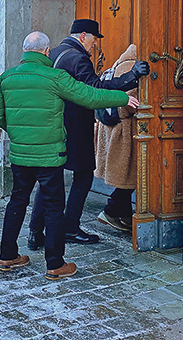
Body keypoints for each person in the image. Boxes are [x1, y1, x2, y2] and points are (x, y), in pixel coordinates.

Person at [0, 32, 139, 279]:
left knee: (17, 202)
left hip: (20, 154)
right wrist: (124, 97)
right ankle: (55, 264)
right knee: (54, 207)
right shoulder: (55, 77)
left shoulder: (6, 78)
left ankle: (7, 256)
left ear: (25, 51)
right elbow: (90, 96)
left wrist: (19, 132)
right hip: (49, 155)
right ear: (47, 52)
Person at [27, 19, 150, 248]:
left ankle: (35, 231)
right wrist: (131, 75)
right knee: (83, 176)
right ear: (83, 36)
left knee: (48, 179)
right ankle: (71, 227)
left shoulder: (53, 53)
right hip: (74, 128)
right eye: (94, 39)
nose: (95, 46)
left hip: (52, 124)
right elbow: (95, 89)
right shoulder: (77, 57)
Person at [95, 44, 140, 231]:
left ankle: (123, 215)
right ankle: (111, 211)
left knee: (127, 175)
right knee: (129, 175)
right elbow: (129, 102)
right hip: (124, 130)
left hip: (111, 128)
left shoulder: (117, 64)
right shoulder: (131, 67)